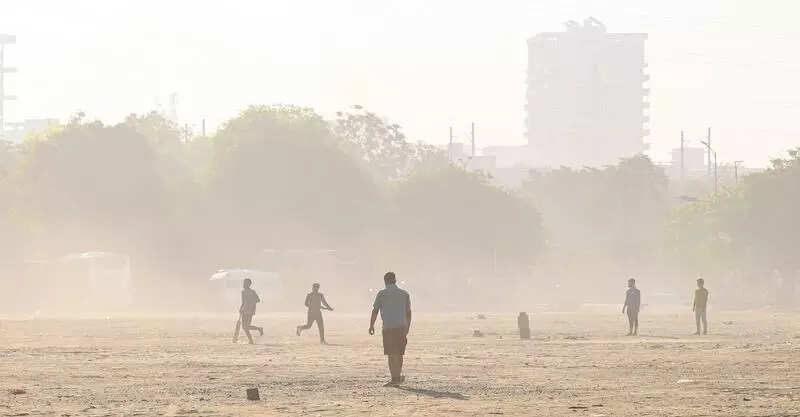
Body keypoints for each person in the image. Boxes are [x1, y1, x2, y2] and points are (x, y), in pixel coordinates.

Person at [369, 272, 411, 387]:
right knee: (399, 353)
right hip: (401, 327)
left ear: (385, 281)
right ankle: (397, 377)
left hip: (388, 327)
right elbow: (408, 313)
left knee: (391, 354)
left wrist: (371, 325)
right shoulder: (404, 294)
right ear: (395, 280)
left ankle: (394, 378)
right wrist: (408, 327)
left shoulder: (382, 294)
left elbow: (375, 310)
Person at [239, 278, 263, 344]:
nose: (243, 284)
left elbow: (258, 300)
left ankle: (257, 331)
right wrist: (241, 309)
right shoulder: (243, 292)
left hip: (250, 311)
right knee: (244, 327)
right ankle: (252, 338)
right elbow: (243, 302)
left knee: (246, 326)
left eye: (245, 283)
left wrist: (251, 301)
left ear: (248, 284)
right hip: (244, 310)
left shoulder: (252, 292)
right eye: (243, 283)